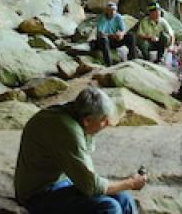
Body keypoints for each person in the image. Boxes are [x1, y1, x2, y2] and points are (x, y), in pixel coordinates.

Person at [14, 86, 147, 214]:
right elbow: (91, 186)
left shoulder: (76, 113)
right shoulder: (67, 131)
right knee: (109, 208)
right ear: (87, 120)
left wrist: (123, 186)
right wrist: (130, 183)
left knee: (124, 198)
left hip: (63, 183)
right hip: (37, 195)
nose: (109, 124)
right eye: (104, 121)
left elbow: (87, 179)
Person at [94, 2, 136, 67]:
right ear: (106, 11)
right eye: (110, 10)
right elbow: (100, 34)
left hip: (115, 39)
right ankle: (109, 64)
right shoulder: (102, 18)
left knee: (131, 36)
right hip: (105, 40)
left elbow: (123, 30)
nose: (112, 12)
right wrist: (112, 35)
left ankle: (132, 60)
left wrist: (121, 34)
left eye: (114, 10)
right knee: (104, 40)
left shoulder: (118, 17)